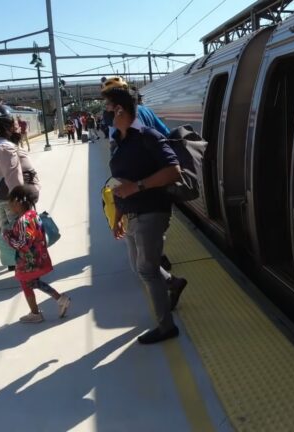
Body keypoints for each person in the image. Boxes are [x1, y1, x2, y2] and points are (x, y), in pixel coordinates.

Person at [103, 86, 187, 344]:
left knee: (147, 269)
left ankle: (166, 327)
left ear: (119, 109)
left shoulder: (147, 136)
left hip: (151, 210)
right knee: (139, 267)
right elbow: (120, 182)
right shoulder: (121, 140)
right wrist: (117, 215)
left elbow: (174, 171)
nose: (103, 113)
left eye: (106, 107)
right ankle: (173, 282)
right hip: (130, 213)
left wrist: (138, 186)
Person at [3, 184, 71, 323]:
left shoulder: (22, 221)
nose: (10, 207)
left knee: (25, 282)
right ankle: (60, 299)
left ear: (18, 202)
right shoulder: (33, 215)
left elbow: (22, 244)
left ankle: (35, 314)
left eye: (11, 203)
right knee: (34, 283)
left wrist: (8, 237)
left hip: (28, 262)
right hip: (39, 257)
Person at [0, 115, 41, 271]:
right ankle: (27, 266)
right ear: (9, 129)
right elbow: (13, 178)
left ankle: (11, 260)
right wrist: (21, 201)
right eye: (17, 126)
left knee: (6, 229)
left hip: (2, 197)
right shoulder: (6, 149)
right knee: (21, 232)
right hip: (12, 199)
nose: (20, 129)